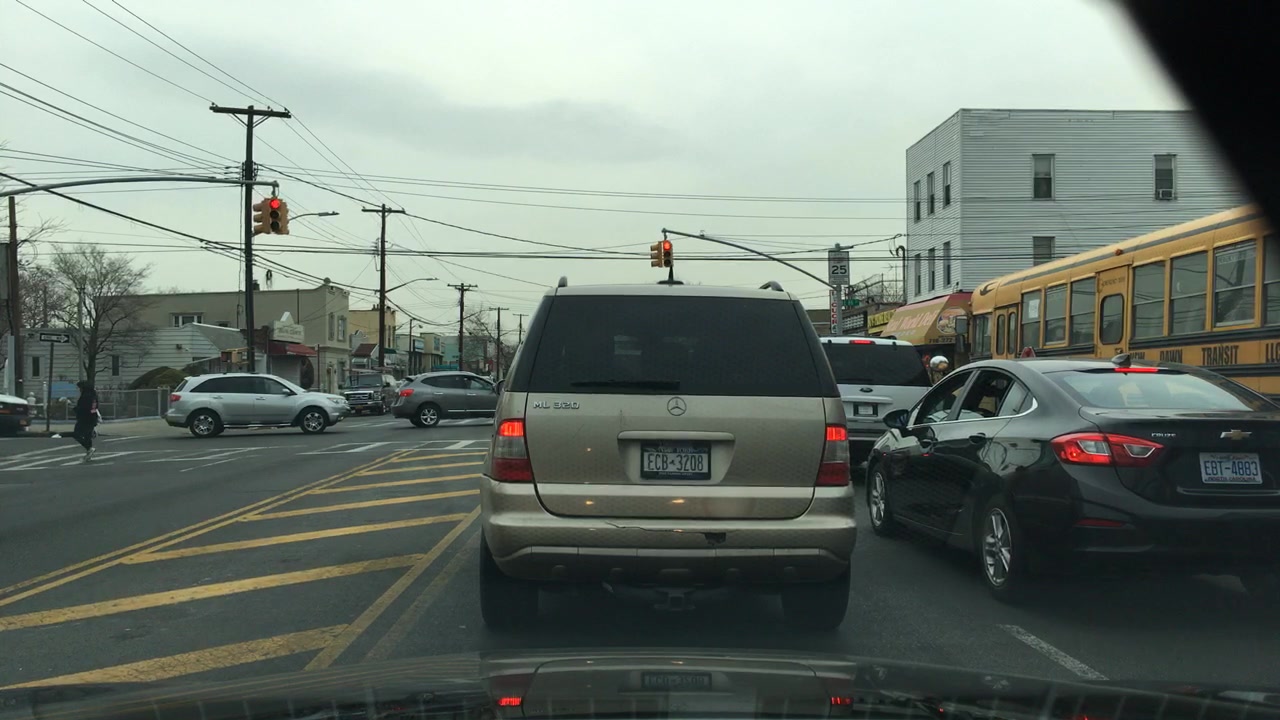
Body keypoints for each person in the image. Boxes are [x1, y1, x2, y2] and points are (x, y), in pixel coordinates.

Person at [71, 380, 99, 462]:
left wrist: (75, 409)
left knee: (77, 434)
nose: (79, 390)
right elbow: (95, 407)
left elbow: (83, 408)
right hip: (92, 417)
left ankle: (89, 448)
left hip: (84, 418)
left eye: (80, 388)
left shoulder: (85, 396)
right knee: (87, 436)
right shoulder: (94, 396)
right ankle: (89, 452)